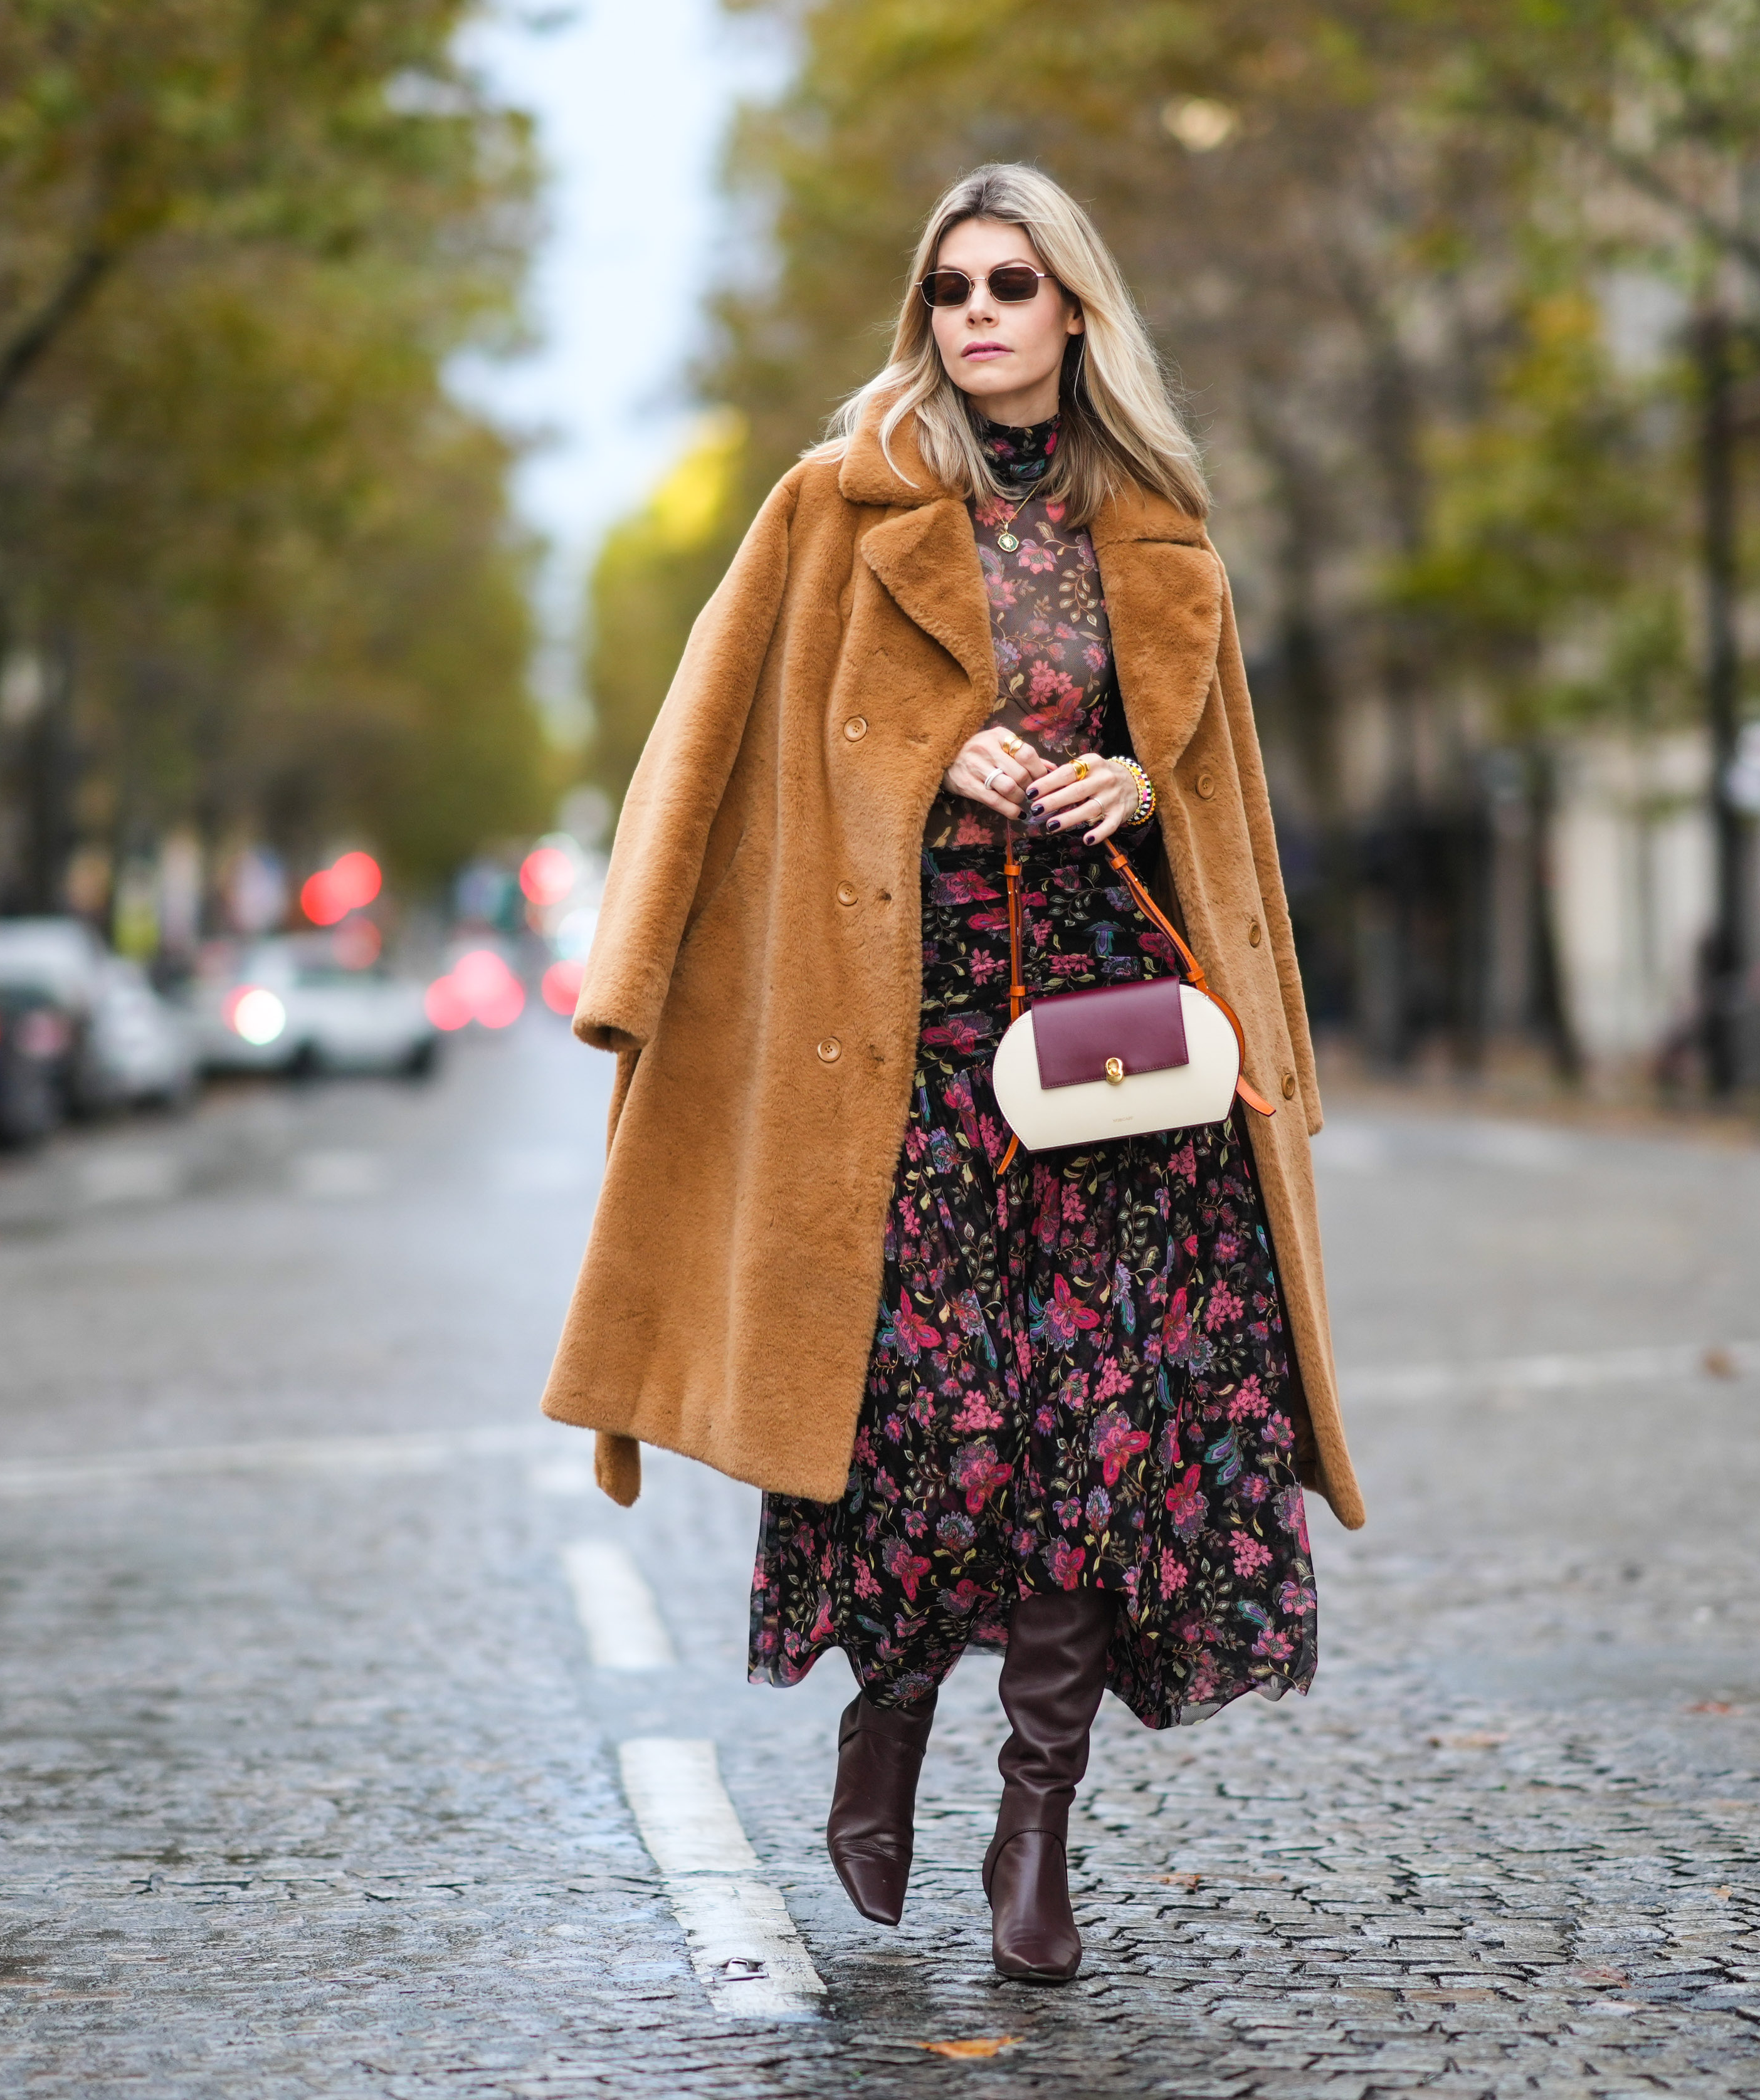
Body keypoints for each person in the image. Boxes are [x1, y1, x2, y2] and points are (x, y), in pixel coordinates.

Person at [539, 164, 1366, 1985]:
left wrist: (1131, 782)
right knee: (919, 1428)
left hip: (1122, 1053)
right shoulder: (836, 508)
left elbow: (1212, 792)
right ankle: (886, 1715)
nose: (977, 312)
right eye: (948, 287)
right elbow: (729, 744)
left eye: (1013, 284)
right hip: (908, 1047)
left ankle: (1036, 1824)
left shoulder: (1158, 525)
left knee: (1103, 1439)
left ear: (1076, 312)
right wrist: (937, 762)